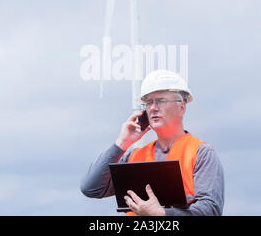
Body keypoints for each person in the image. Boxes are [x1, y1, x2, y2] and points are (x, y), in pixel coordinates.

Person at [80, 70, 224, 216]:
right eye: (149, 102)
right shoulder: (133, 155)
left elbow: (210, 211)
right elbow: (92, 188)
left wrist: (162, 214)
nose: (154, 108)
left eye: (161, 101)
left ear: (182, 107)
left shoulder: (201, 153)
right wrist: (122, 143)